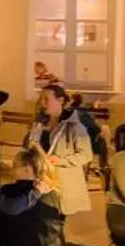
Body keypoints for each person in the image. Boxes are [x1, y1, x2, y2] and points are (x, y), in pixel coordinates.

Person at [23, 84, 98, 215]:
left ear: (61, 101)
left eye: (46, 99)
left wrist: (61, 160)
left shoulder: (75, 126)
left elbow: (86, 155)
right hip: (40, 178)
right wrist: (31, 134)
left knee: (56, 220)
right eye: (41, 98)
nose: (42, 103)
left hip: (61, 181)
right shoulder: (40, 123)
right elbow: (29, 145)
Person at [0, 147, 66, 246]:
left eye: (15, 165)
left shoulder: (8, 191)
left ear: (27, 169)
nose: (12, 169)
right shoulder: (53, 194)